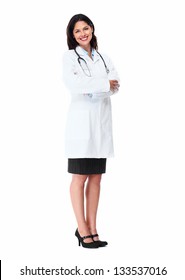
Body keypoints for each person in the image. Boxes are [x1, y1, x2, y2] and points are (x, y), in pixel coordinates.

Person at [62, 14, 120, 249]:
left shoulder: (104, 58)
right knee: (79, 178)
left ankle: (93, 228)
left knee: (96, 178)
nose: (83, 33)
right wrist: (103, 85)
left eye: (86, 28)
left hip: (100, 125)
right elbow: (75, 85)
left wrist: (99, 87)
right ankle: (81, 228)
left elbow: (116, 84)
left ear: (92, 29)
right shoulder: (69, 58)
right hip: (81, 126)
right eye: (77, 31)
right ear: (72, 35)